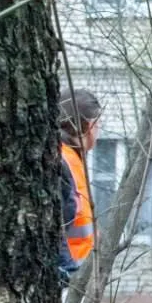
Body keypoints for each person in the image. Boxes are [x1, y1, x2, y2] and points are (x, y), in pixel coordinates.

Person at [58, 88, 102, 281]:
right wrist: (69, 277)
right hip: (69, 279)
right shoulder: (64, 162)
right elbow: (58, 230)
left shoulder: (70, 159)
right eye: (98, 124)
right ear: (90, 125)